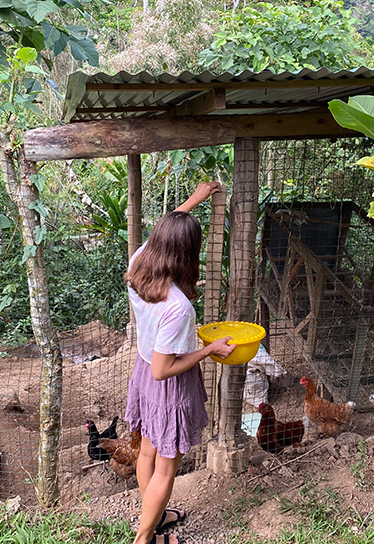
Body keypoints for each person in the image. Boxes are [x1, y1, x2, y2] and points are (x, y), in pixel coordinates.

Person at [124, 182, 236, 544]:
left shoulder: (139, 263)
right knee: (166, 466)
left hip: (143, 371)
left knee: (147, 450)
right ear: (189, 253)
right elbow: (163, 369)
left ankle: (153, 519)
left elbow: (166, 230)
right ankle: (145, 539)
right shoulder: (177, 307)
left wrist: (192, 201)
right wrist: (208, 350)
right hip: (167, 382)